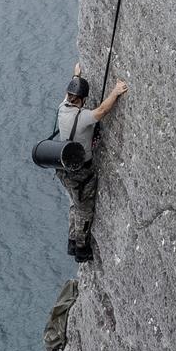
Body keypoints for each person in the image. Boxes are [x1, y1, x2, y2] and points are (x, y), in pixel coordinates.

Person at [56, 62, 128, 263]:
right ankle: (81, 248)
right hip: (81, 173)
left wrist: (76, 75)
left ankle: (71, 240)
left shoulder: (62, 108)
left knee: (74, 204)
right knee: (84, 210)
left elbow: (69, 94)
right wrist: (115, 91)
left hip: (64, 169)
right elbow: (103, 110)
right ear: (82, 99)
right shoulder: (84, 117)